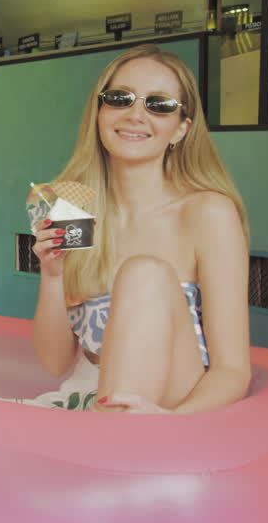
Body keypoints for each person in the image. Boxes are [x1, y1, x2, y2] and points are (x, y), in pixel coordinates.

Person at [29, 44, 251, 414]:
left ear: (181, 128)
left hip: (171, 405)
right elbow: (55, 364)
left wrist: (170, 423)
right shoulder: (73, 210)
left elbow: (233, 371)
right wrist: (52, 276)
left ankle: (117, 440)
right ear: (100, 112)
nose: (135, 115)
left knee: (144, 273)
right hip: (87, 397)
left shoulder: (208, 213)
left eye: (158, 104)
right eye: (120, 98)